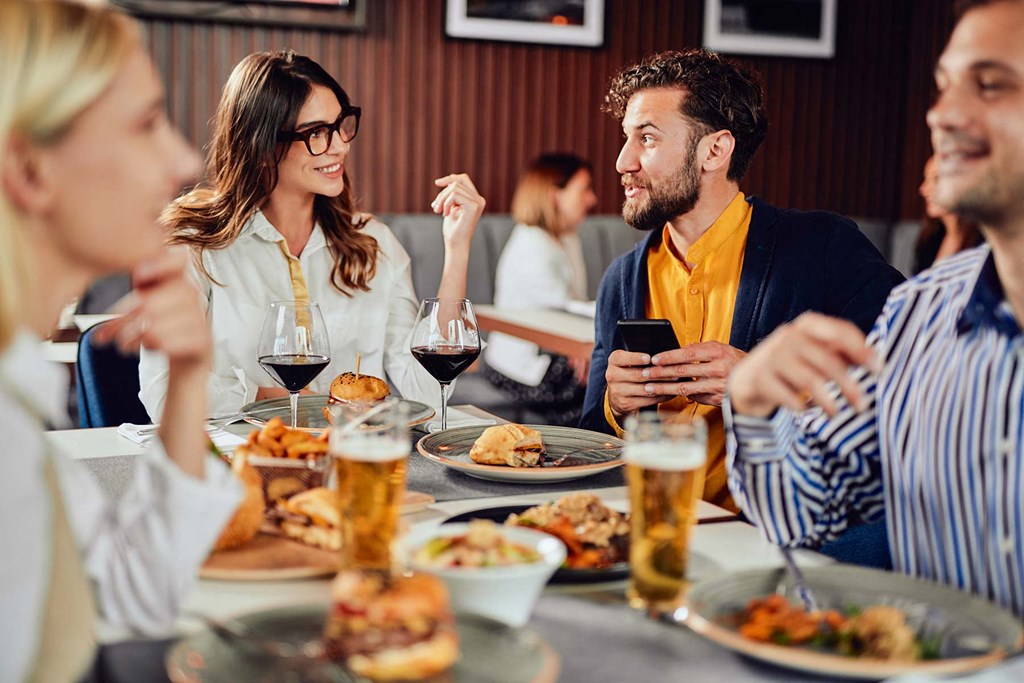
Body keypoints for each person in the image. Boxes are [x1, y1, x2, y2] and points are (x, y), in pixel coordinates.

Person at [725, 0, 1024, 617]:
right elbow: (810, 510)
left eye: (990, 85)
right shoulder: (919, 312)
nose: (942, 116)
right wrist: (754, 407)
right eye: (942, 88)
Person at [0, 1, 241, 680]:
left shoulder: (17, 402)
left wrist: (189, 378)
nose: (181, 158)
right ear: (29, 170)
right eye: (144, 124)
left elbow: (140, 591)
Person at [580, 49, 904, 513]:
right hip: (646, 525)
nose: (621, 161)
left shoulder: (823, 248)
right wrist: (618, 405)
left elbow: (912, 380)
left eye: (646, 139)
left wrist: (765, 388)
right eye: (626, 138)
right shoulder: (621, 280)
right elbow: (590, 436)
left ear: (715, 150)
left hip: (772, 535)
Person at [139, 50, 485, 419]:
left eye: (341, 125)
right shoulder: (194, 243)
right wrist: (273, 399)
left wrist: (457, 247)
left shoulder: (374, 243)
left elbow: (427, 390)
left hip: (354, 461)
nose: (340, 146)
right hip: (241, 461)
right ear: (263, 143)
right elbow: (163, 387)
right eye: (317, 132)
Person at [483, 153, 597, 425]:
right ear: (554, 195)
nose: (592, 199)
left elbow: (571, 306)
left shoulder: (567, 238)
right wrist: (587, 347)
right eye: (584, 190)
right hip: (520, 365)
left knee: (609, 376)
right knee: (603, 384)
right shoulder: (532, 246)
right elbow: (562, 309)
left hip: (554, 352)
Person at [913, 153, 983, 273]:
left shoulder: (985, 242)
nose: (923, 189)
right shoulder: (929, 240)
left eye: (936, 179)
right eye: (925, 179)